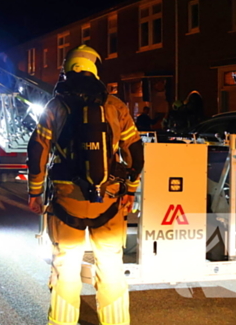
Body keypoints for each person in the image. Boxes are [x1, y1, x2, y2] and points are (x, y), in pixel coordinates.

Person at [27, 45, 144, 325]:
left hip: (67, 197)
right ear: (95, 69)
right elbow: (135, 152)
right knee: (111, 264)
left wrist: (35, 192)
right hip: (109, 197)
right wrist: (130, 189)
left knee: (66, 265)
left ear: (67, 69)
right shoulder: (115, 106)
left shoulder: (55, 106)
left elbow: (37, 151)